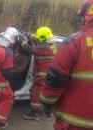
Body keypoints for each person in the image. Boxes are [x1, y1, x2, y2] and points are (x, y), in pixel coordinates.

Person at [39, 0, 93, 129]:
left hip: (75, 119)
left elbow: (56, 79)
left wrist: (46, 102)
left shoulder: (75, 42)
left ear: (86, 17)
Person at [21, 27, 58, 120]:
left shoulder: (42, 48)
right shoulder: (51, 43)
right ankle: (48, 110)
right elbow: (38, 39)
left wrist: (22, 40)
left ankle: (34, 113)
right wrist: (28, 35)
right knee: (46, 93)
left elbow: (29, 50)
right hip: (49, 74)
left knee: (35, 92)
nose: (37, 39)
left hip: (42, 75)